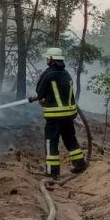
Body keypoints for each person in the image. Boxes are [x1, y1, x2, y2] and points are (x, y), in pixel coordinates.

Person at [28, 47, 87, 177]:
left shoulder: (48, 74)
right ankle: (80, 164)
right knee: (70, 139)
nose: (47, 60)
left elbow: (40, 91)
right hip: (68, 116)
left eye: (48, 58)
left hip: (54, 117)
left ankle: (52, 172)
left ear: (52, 60)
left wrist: (42, 99)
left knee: (51, 142)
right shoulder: (66, 74)